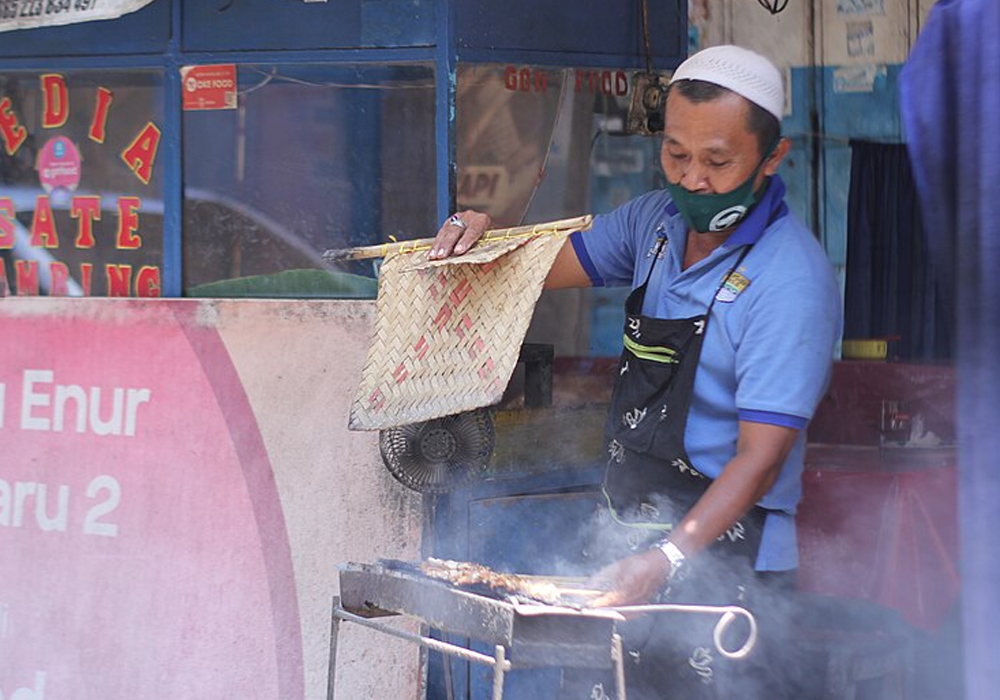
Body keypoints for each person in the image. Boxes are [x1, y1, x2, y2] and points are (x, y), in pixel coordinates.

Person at [431, 45, 842, 699]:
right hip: (624, 542)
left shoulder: (790, 280)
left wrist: (669, 558)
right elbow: (532, 268)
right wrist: (482, 234)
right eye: (676, 154)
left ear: (771, 159)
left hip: (727, 564)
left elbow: (759, 459)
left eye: (717, 161)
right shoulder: (653, 225)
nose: (692, 180)